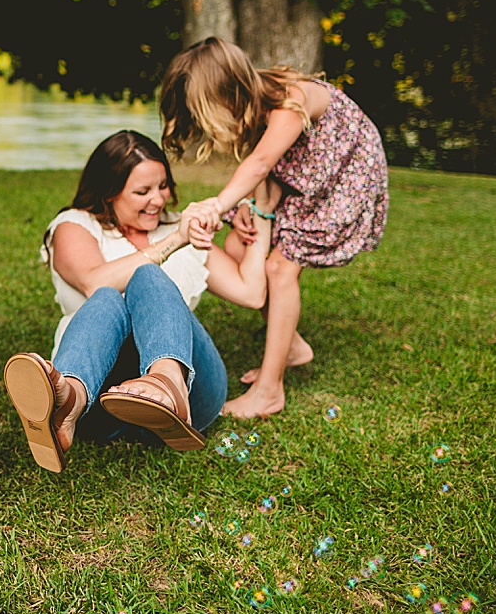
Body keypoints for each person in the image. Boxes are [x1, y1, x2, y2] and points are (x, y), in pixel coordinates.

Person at [3, 131, 272, 472]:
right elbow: (93, 280)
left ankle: (168, 381)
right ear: (109, 193)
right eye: (142, 191)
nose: (158, 200)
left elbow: (251, 292)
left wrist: (262, 213)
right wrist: (176, 241)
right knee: (107, 295)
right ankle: (67, 401)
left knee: (148, 278)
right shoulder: (74, 226)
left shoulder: (183, 227)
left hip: (192, 400)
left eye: (163, 186)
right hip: (101, 396)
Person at [158, 36, 389, 418]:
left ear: (226, 92)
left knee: (279, 269)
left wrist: (218, 204)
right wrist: (249, 204)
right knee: (237, 247)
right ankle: (293, 345)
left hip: (344, 175)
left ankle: (270, 390)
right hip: (300, 176)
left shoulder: (288, 99)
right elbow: (265, 167)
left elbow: (263, 161)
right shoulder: (253, 104)